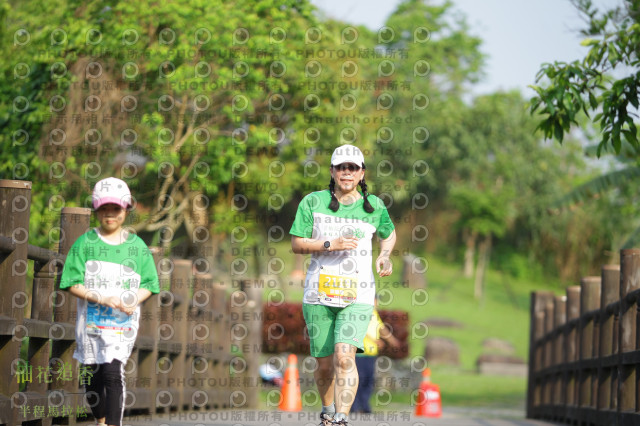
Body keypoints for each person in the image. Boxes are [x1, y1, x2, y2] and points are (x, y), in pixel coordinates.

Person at [290, 144, 397, 426]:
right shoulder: (312, 202)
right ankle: (327, 411)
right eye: (341, 167)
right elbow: (297, 243)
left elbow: (389, 234)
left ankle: (340, 419)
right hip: (318, 294)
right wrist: (330, 244)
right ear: (332, 172)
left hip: (358, 295)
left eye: (353, 168)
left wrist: (385, 255)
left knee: (345, 355)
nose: (346, 173)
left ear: (362, 173)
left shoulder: (374, 206)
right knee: (325, 364)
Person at [59, 177, 160, 426]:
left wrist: (133, 298)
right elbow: (72, 282)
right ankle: (101, 418)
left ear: (125, 209)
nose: (110, 214)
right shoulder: (85, 243)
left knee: (113, 373)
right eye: (104, 208)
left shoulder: (137, 247)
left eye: (115, 208)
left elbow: (150, 284)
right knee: (91, 378)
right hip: (91, 325)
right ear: (96, 208)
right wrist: (102, 297)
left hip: (122, 326)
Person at [351, 299, 401, 414]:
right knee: (358, 379)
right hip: (360, 352)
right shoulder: (361, 312)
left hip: (371, 353)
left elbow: (381, 328)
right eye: (375, 300)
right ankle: (354, 406)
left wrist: (392, 340)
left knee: (368, 380)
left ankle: (364, 406)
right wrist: (375, 340)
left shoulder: (374, 313)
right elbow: (360, 328)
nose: (376, 303)